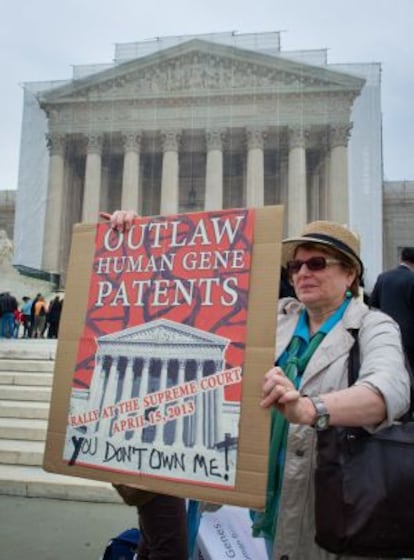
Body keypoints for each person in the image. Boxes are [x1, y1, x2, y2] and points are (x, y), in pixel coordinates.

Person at [255, 220, 410, 560]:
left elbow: (389, 391)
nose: (302, 273)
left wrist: (312, 409)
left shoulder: (374, 324)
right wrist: (133, 237)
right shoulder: (276, 319)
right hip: (273, 507)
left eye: (317, 263)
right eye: (295, 265)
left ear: (350, 274)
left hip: (338, 512)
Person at [103, 210, 189, 560]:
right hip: (151, 437)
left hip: (184, 433)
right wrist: (132, 231)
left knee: (160, 541)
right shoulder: (136, 307)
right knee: (168, 544)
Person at [370, 247, 414, 372]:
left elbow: (373, 302)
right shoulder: (412, 279)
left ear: (401, 259)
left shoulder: (383, 277)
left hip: (385, 332)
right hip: (410, 337)